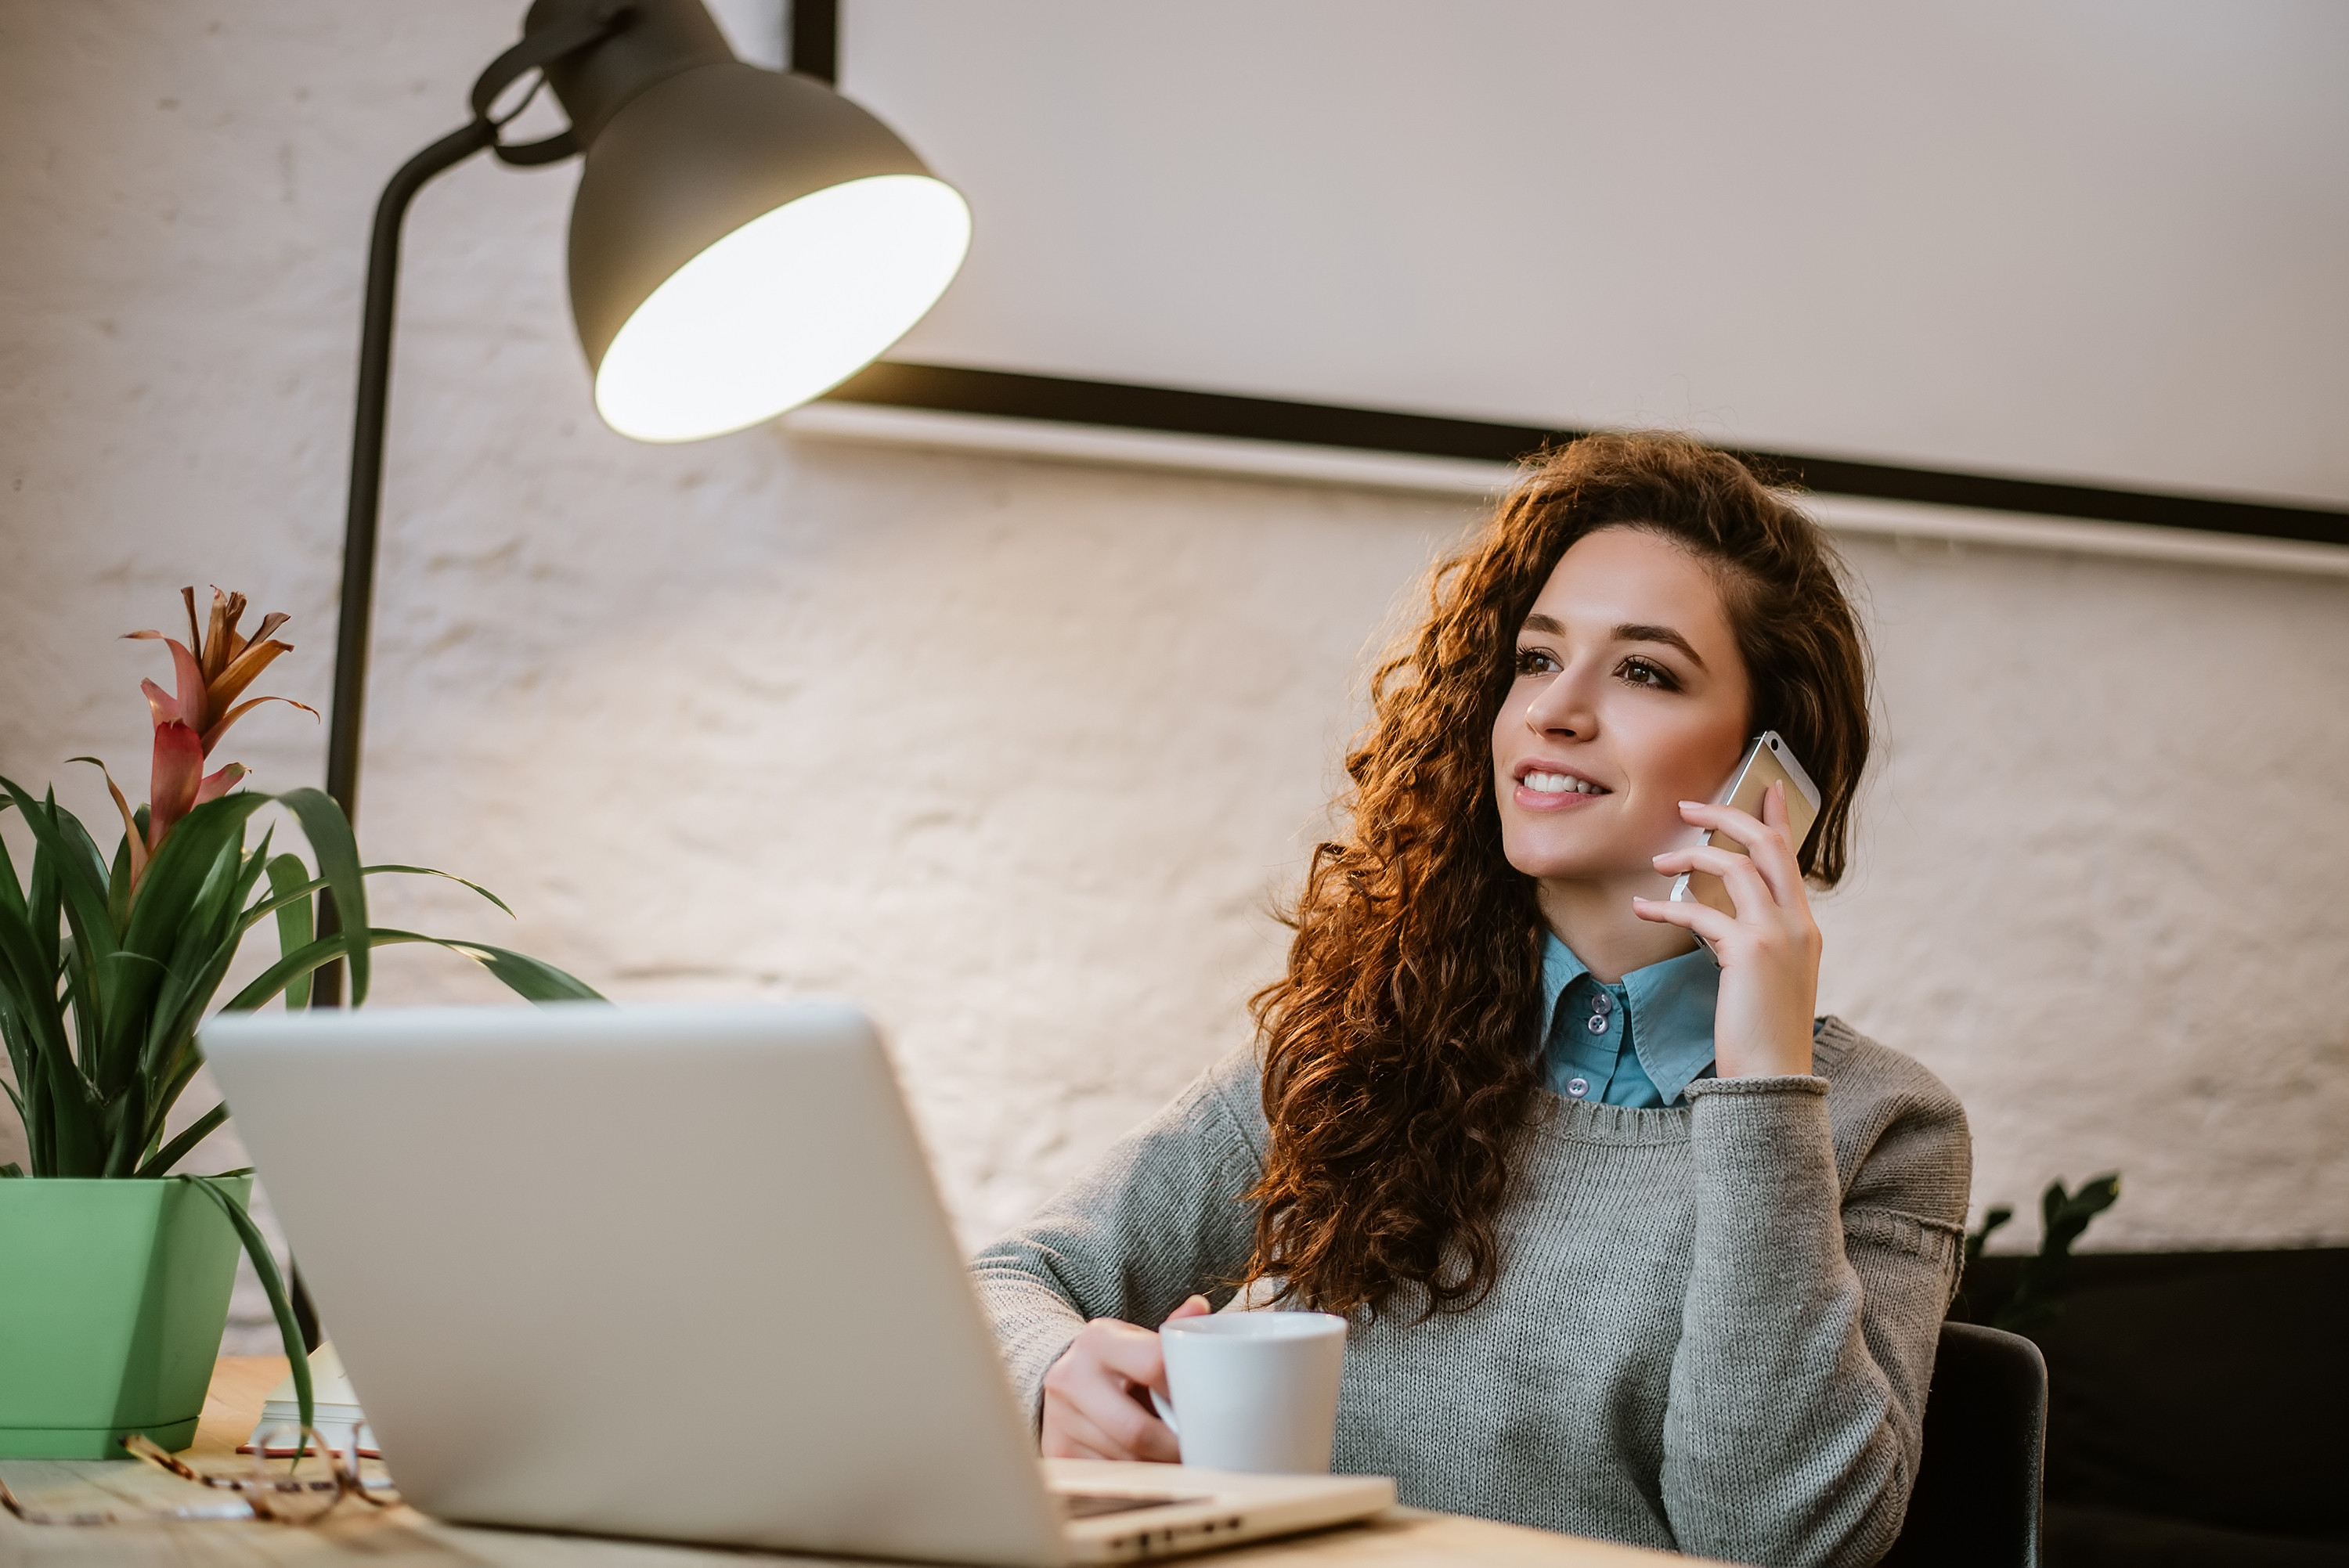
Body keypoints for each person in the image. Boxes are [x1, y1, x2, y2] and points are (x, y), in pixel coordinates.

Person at [970, 432, 1971, 1567]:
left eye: (1644, 671)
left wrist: (1762, 1084)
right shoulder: (1355, 1047)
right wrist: (1055, 1374)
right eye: (1537, 658)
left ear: (1769, 771)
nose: (1556, 709)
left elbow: (1784, 1542)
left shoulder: (1877, 1127)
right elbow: (1004, 1281)